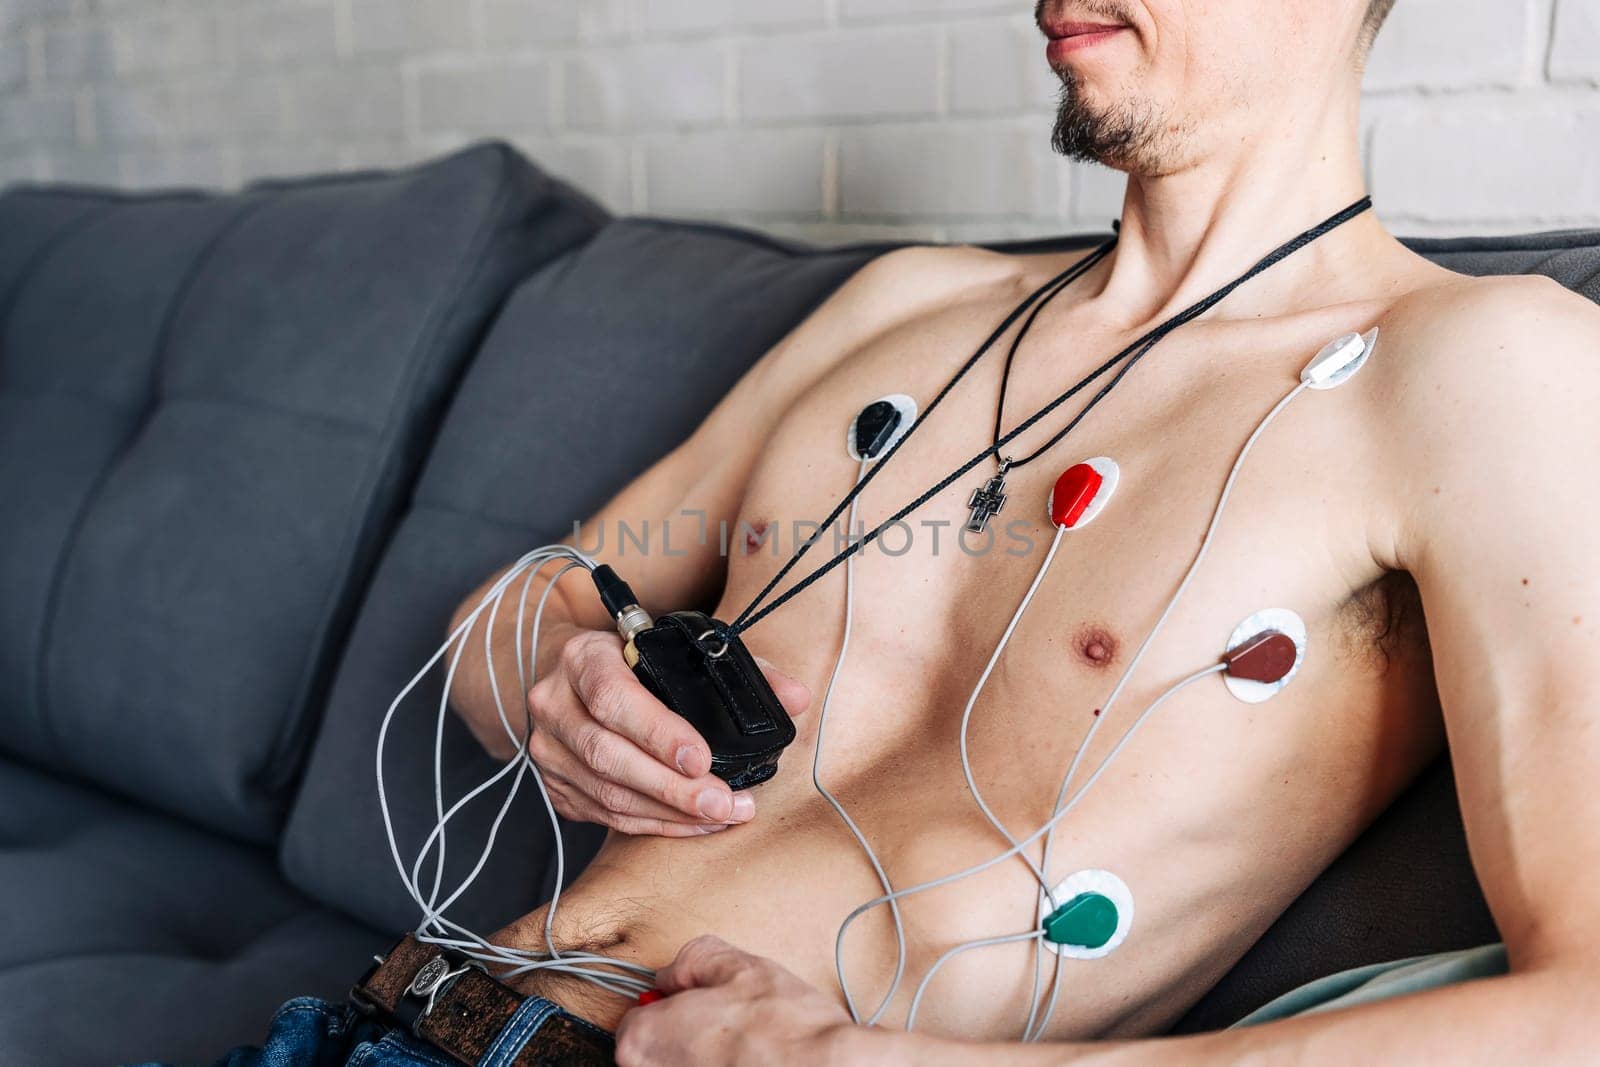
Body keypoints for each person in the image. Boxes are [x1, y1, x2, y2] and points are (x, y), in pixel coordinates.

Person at [200, 0, 1600, 1063]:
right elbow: (499, 625)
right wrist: (551, 693)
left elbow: (1581, 1004)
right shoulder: (906, 306)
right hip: (391, 1018)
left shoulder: (1479, 368)